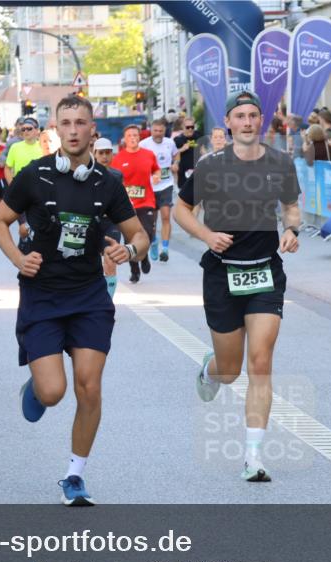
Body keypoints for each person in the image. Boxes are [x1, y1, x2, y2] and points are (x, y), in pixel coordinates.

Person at [0, 95, 149, 506]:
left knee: (89, 387)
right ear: (55, 129)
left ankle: (74, 476)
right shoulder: (34, 175)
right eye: (66, 122)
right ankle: (38, 388)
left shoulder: (108, 183)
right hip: (42, 295)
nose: (74, 130)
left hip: (89, 295)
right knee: (55, 392)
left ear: (93, 129)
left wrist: (127, 252)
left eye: (81, 122)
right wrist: (19, 259)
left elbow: (140, 237)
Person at [175, 90, 301, 483]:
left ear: (260, 121)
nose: (247, 122)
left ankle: (253, 456)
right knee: (230, 370)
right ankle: (211, 371)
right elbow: (181, 210)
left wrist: (292, 229)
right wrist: (206, 235)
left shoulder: (280, 163)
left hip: (265, 271)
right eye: (240, 116)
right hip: (222, 272)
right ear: (228, 123)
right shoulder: (211, 167)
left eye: (253, 115)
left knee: (260, 362)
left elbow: (291, 206)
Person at [112, 125, 160, 283]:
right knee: (129, 238)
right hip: (127, 205)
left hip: (146, 201)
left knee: (148, 233)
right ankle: (134, 270)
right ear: (124, 139)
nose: (133, 138)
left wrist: (156, 176)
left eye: (135, 135)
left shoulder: (148, 154)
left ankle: (144, 255)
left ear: (139, 137)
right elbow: (113, 180)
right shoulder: (118, 158)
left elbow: (156, 170)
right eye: (129, 135)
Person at [139, 118, 180, 262]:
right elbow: (137, 160)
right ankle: (154, 241)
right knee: (152, 221)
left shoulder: (169, 143)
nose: (158, 134)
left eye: (161, 131)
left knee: (166, 216)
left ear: (164, 131)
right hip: (150, 186)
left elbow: (176, 155)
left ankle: (165, 249)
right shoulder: (143, 144)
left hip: (166, 185)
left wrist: (175, 163)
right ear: (151, 130)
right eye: (155, 131)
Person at [94, 137, 123, 297]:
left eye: (108, 153)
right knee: (92, 266)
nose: (105, 156)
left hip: (111, 223)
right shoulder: (86, 174)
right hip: (92, 224)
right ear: (95, 154)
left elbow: (121, 201)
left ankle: (107, 302)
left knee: (110, 261)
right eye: (101, 153)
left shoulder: (117, 175)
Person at [174, 117, 201, 192]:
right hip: (184, 173)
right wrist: (181, 149)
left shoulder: (198, 135)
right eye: (188, 127)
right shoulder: (177, 140)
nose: (190, 129)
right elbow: (173, 155)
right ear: (182, 127)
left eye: (192, 127)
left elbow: (203, 149)